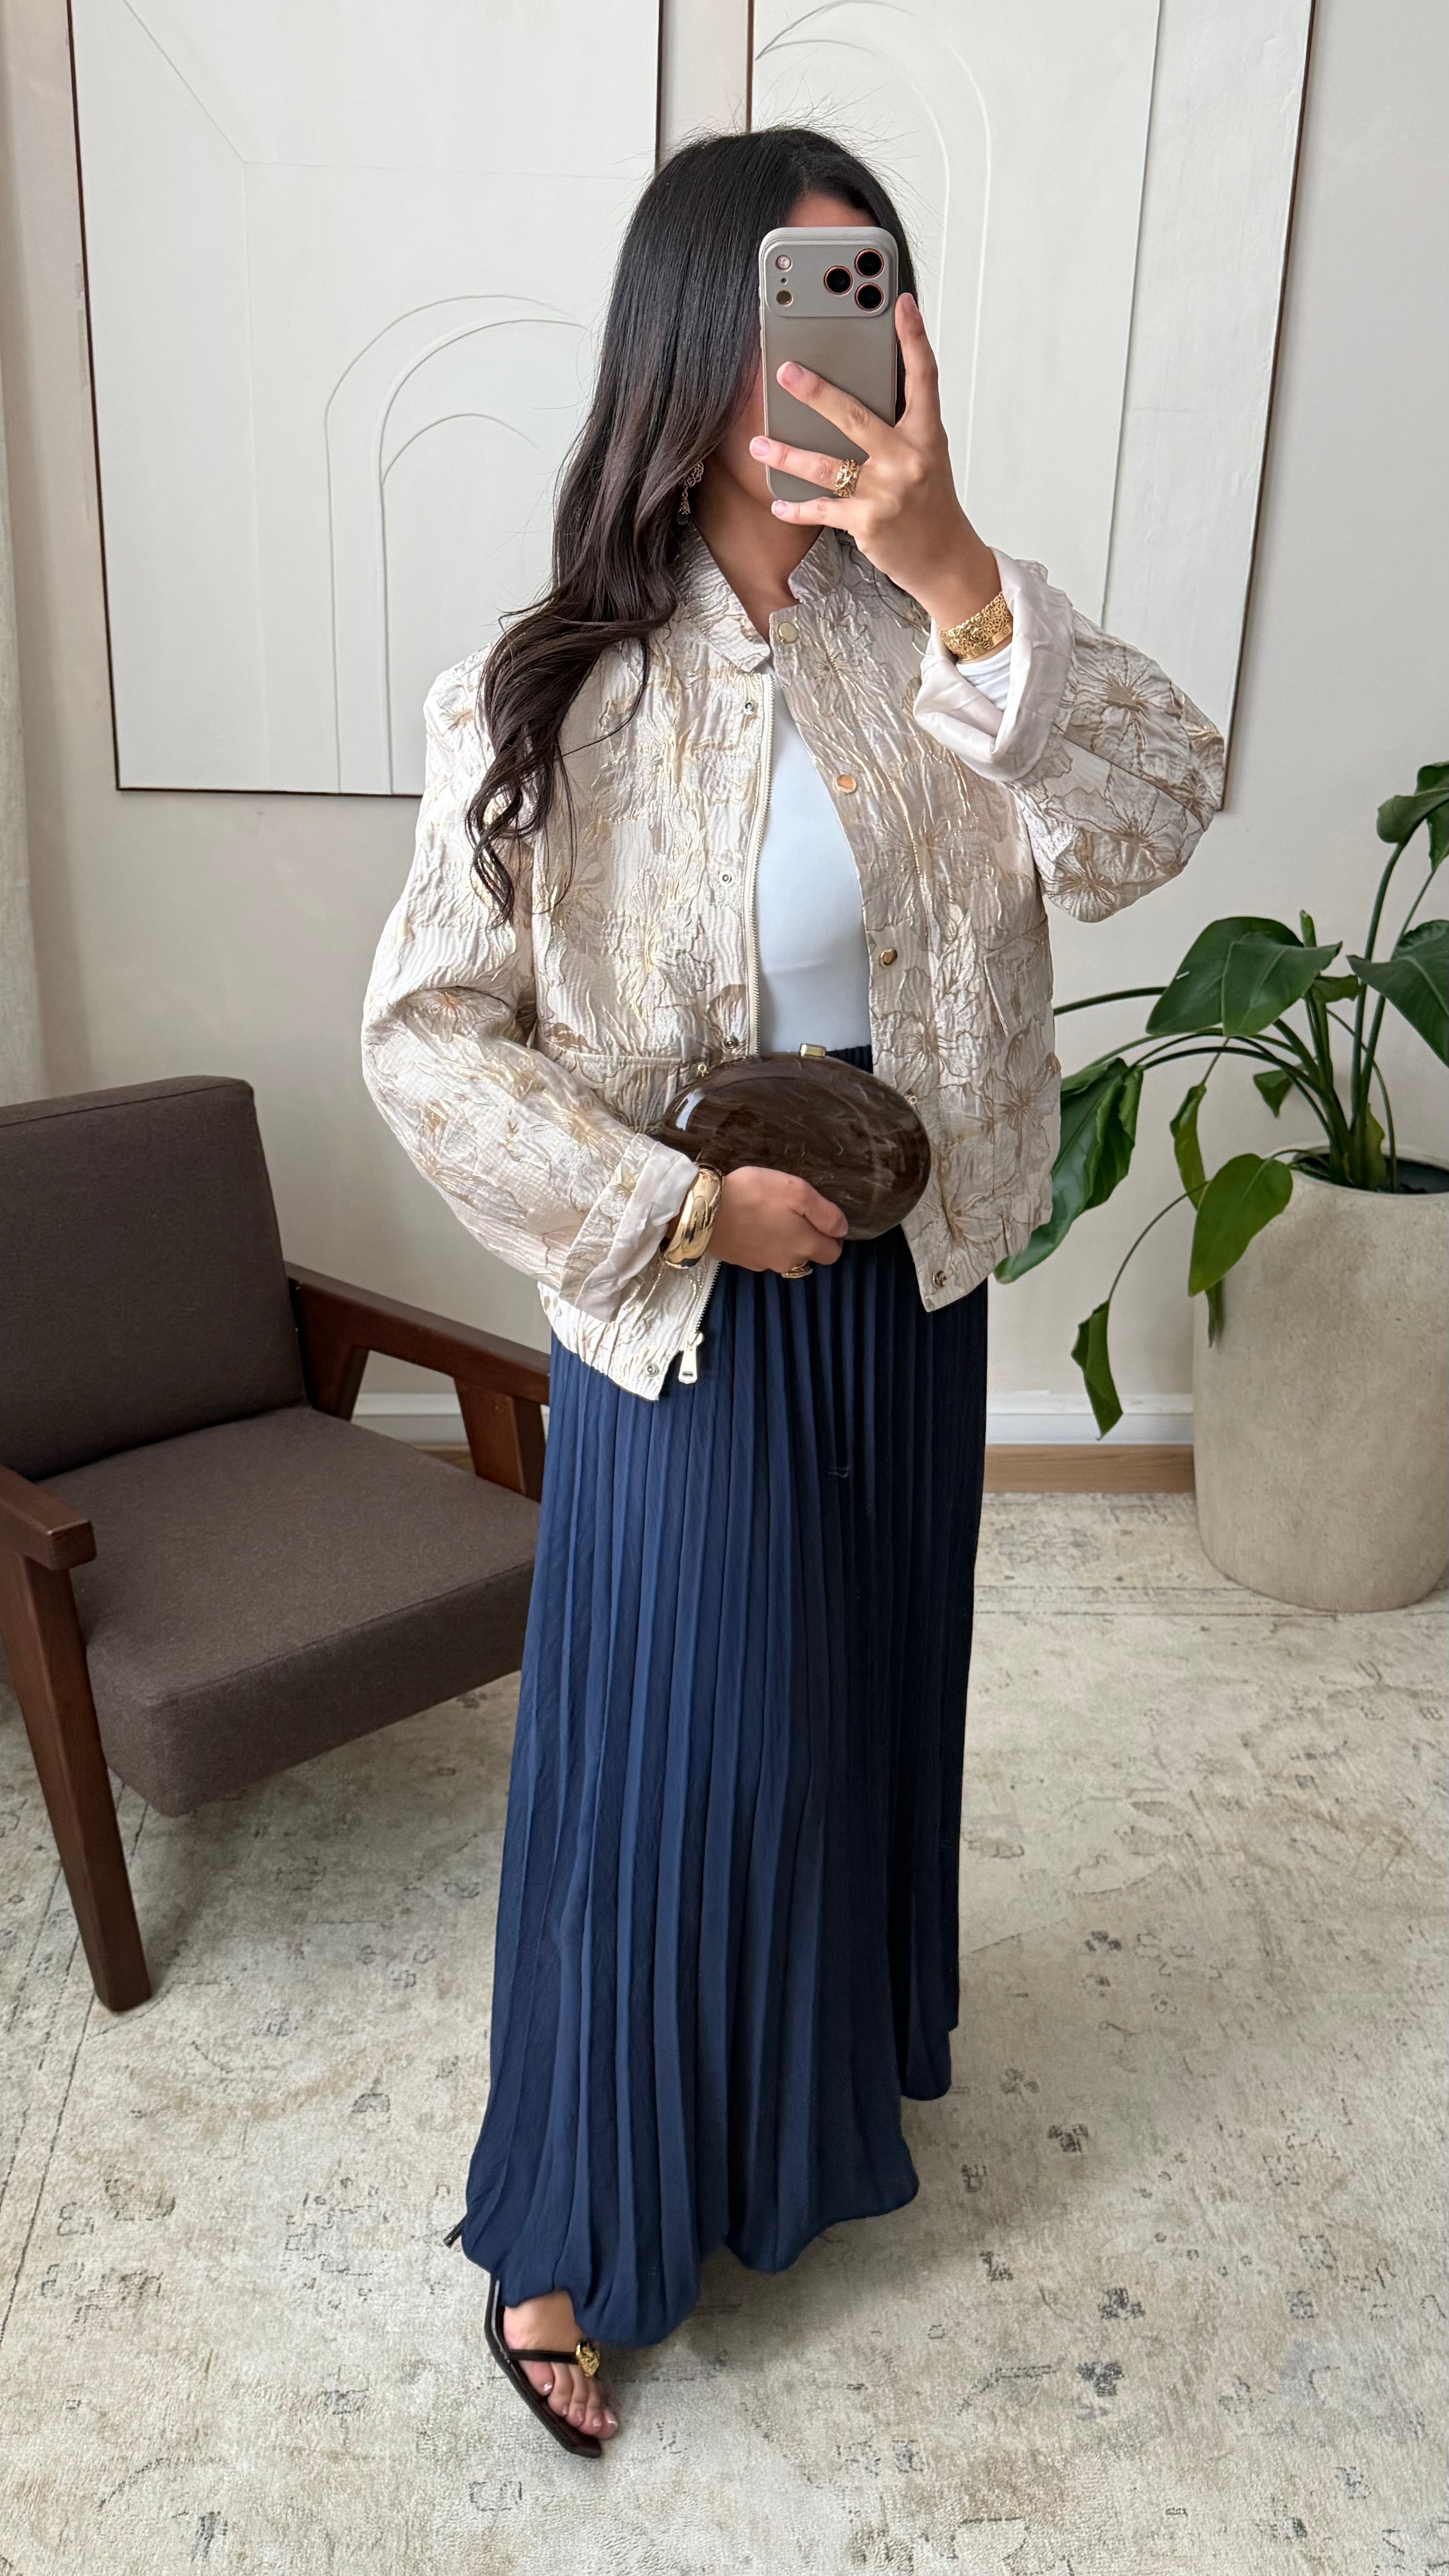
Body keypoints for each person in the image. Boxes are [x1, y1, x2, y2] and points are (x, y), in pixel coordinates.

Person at [362, 126, 1223, 2455]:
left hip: (906, 1279)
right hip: (686, 1303)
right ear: (687, 338)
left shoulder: (944, 627)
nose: (822, 363)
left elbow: (1158, 810)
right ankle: (570, 2216)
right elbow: (426, 1041)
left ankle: (802, 2105)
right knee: (675, 1768)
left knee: (854, 1705)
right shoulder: (545, 686)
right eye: (780, 311)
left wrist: (958, 572)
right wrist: (673, 1209)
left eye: (862, 303)